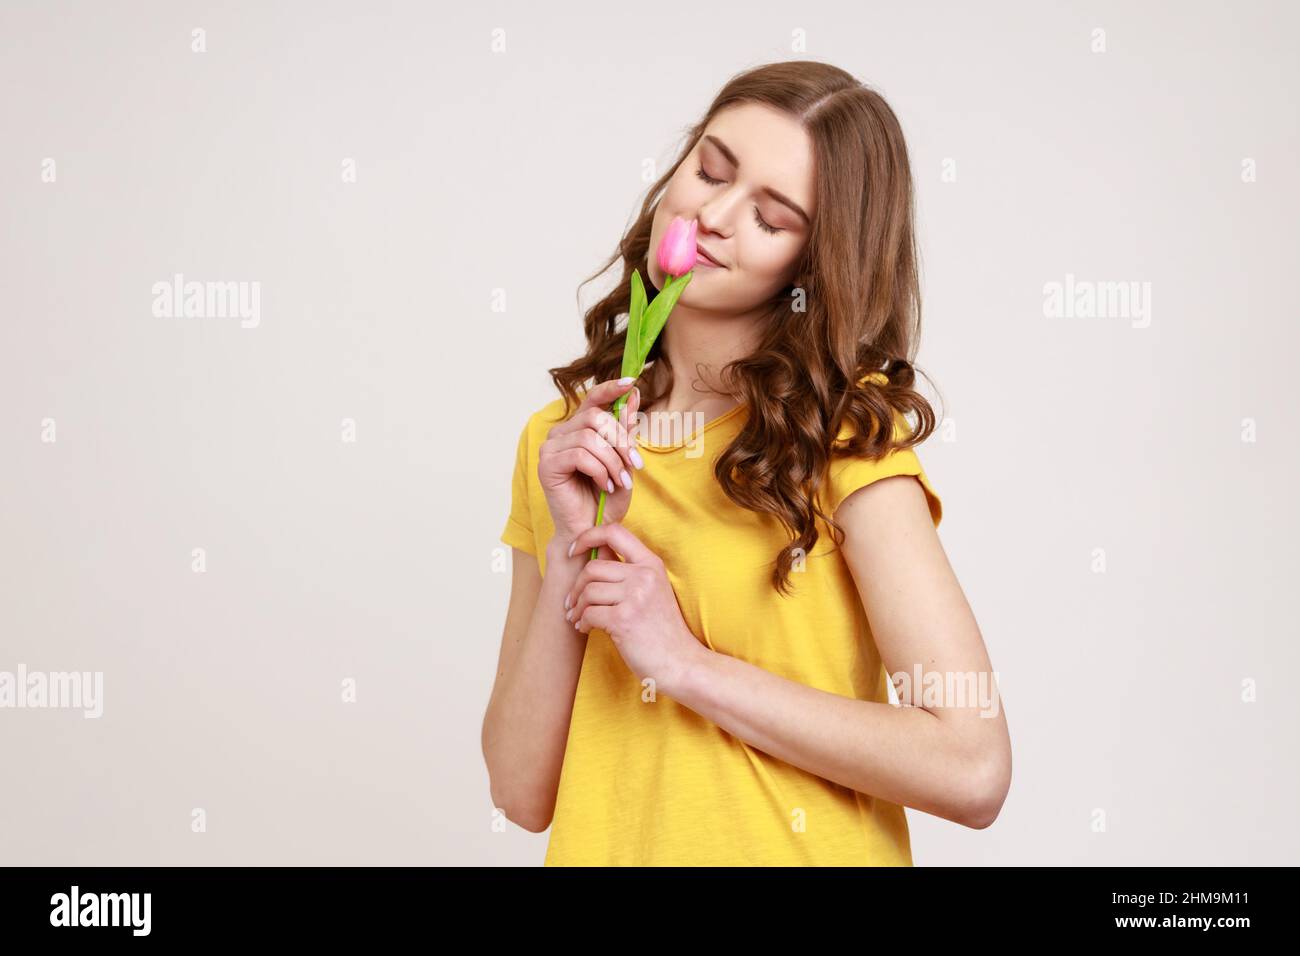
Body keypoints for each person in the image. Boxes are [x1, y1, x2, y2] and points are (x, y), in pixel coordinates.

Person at [481, 60, 1012, 865]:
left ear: (814, 265)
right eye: (710, 169)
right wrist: (571, 549)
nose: (715, 215)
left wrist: (683, 664)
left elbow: (973, 769)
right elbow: (520, 793)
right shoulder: (559, 442)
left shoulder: (843, 440)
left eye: (772, 218)